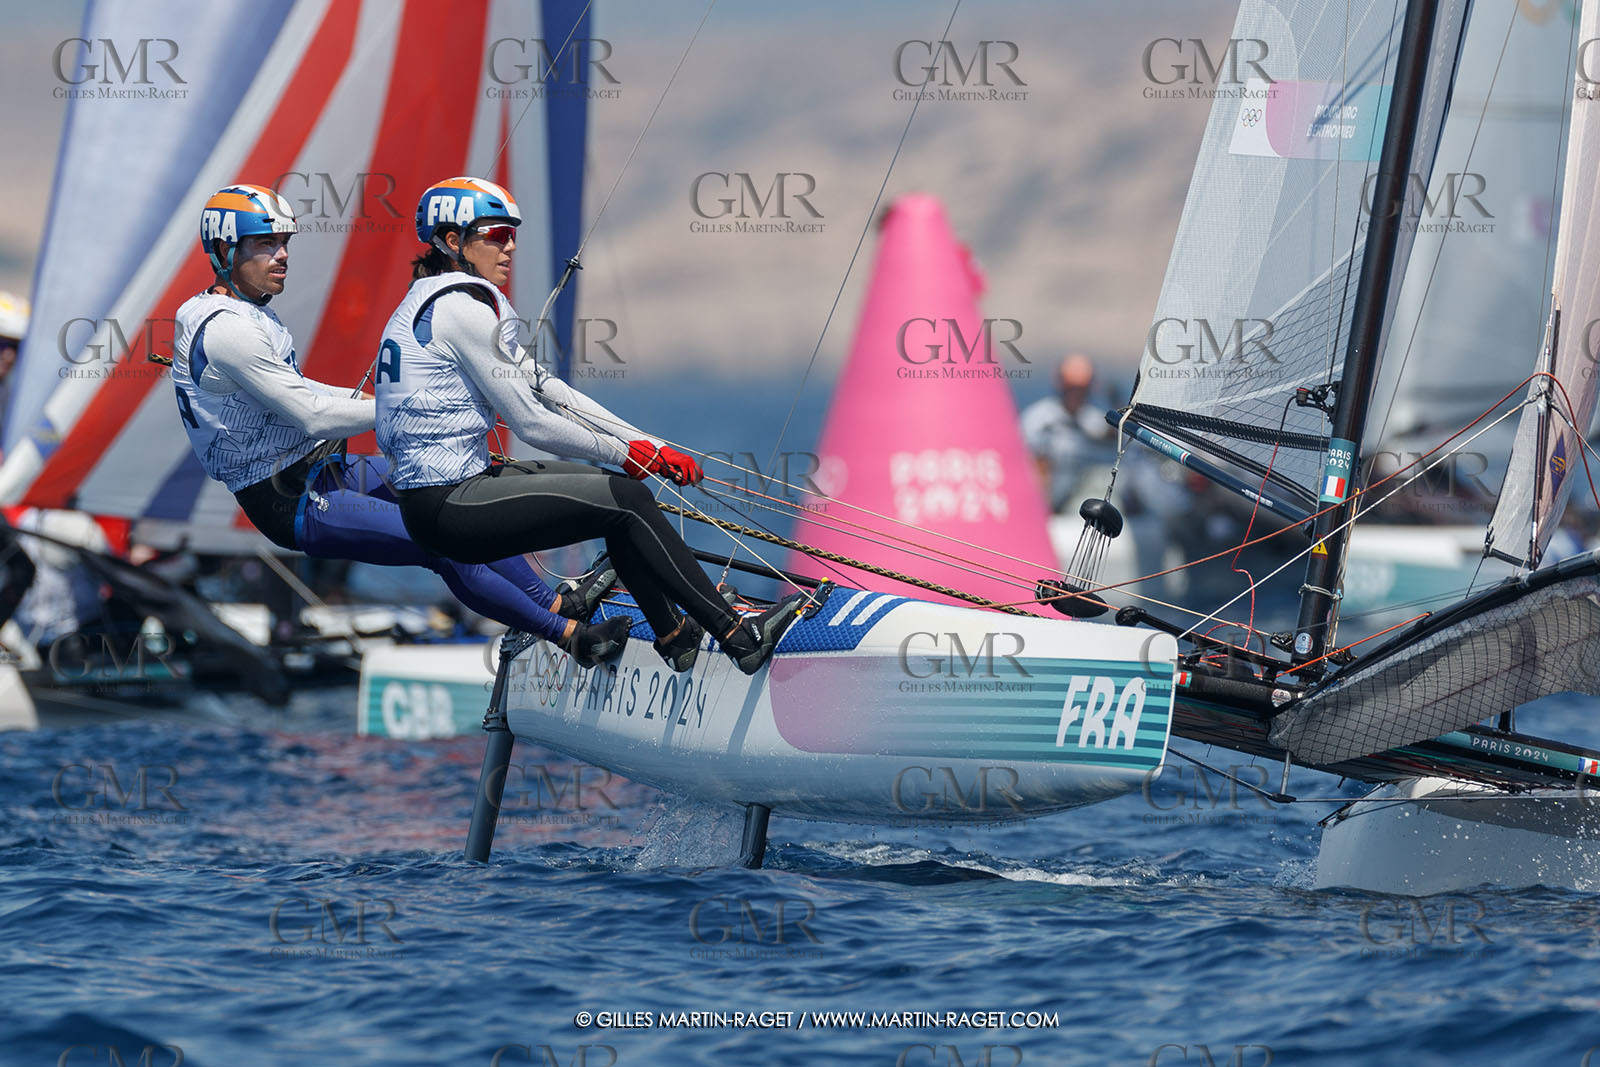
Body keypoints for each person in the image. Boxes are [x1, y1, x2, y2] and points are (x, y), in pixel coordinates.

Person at [171, 184, 629, 666]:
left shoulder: (244, 313)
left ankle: (556, 602)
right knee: (442, 543)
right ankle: (571, 635)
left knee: (452, 495)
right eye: (265, 244)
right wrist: (403, 403)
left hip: (325, 470)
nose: (282, 255)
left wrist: (385, 400)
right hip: (288, 499)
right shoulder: (229, 330)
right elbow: (311, 414)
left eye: (285, 242)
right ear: (224, 250)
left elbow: (311, 397)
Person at [375, 176, 808, 675]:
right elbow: (531, 421)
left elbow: (546, 387)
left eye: (513, 234)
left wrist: (646, 444)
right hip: (447, 505)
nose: (510, 245)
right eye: (496, 234)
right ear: (453, 242)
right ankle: (739, 636)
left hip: (445, 498)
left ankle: (675, 635)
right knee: (628, 500)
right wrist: (624, 453)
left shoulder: (438, 300)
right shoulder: (459, 309)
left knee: (616, 497)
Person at [1020, 353, 1117, 513]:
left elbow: (1113, 442)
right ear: (1060, 385)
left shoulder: (1094, 419)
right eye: (1071, 388)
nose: (1076, 394)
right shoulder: (1037, 419)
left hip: (1079, 504)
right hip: (1043, 502)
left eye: (1081, 389)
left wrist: (1118, 405)